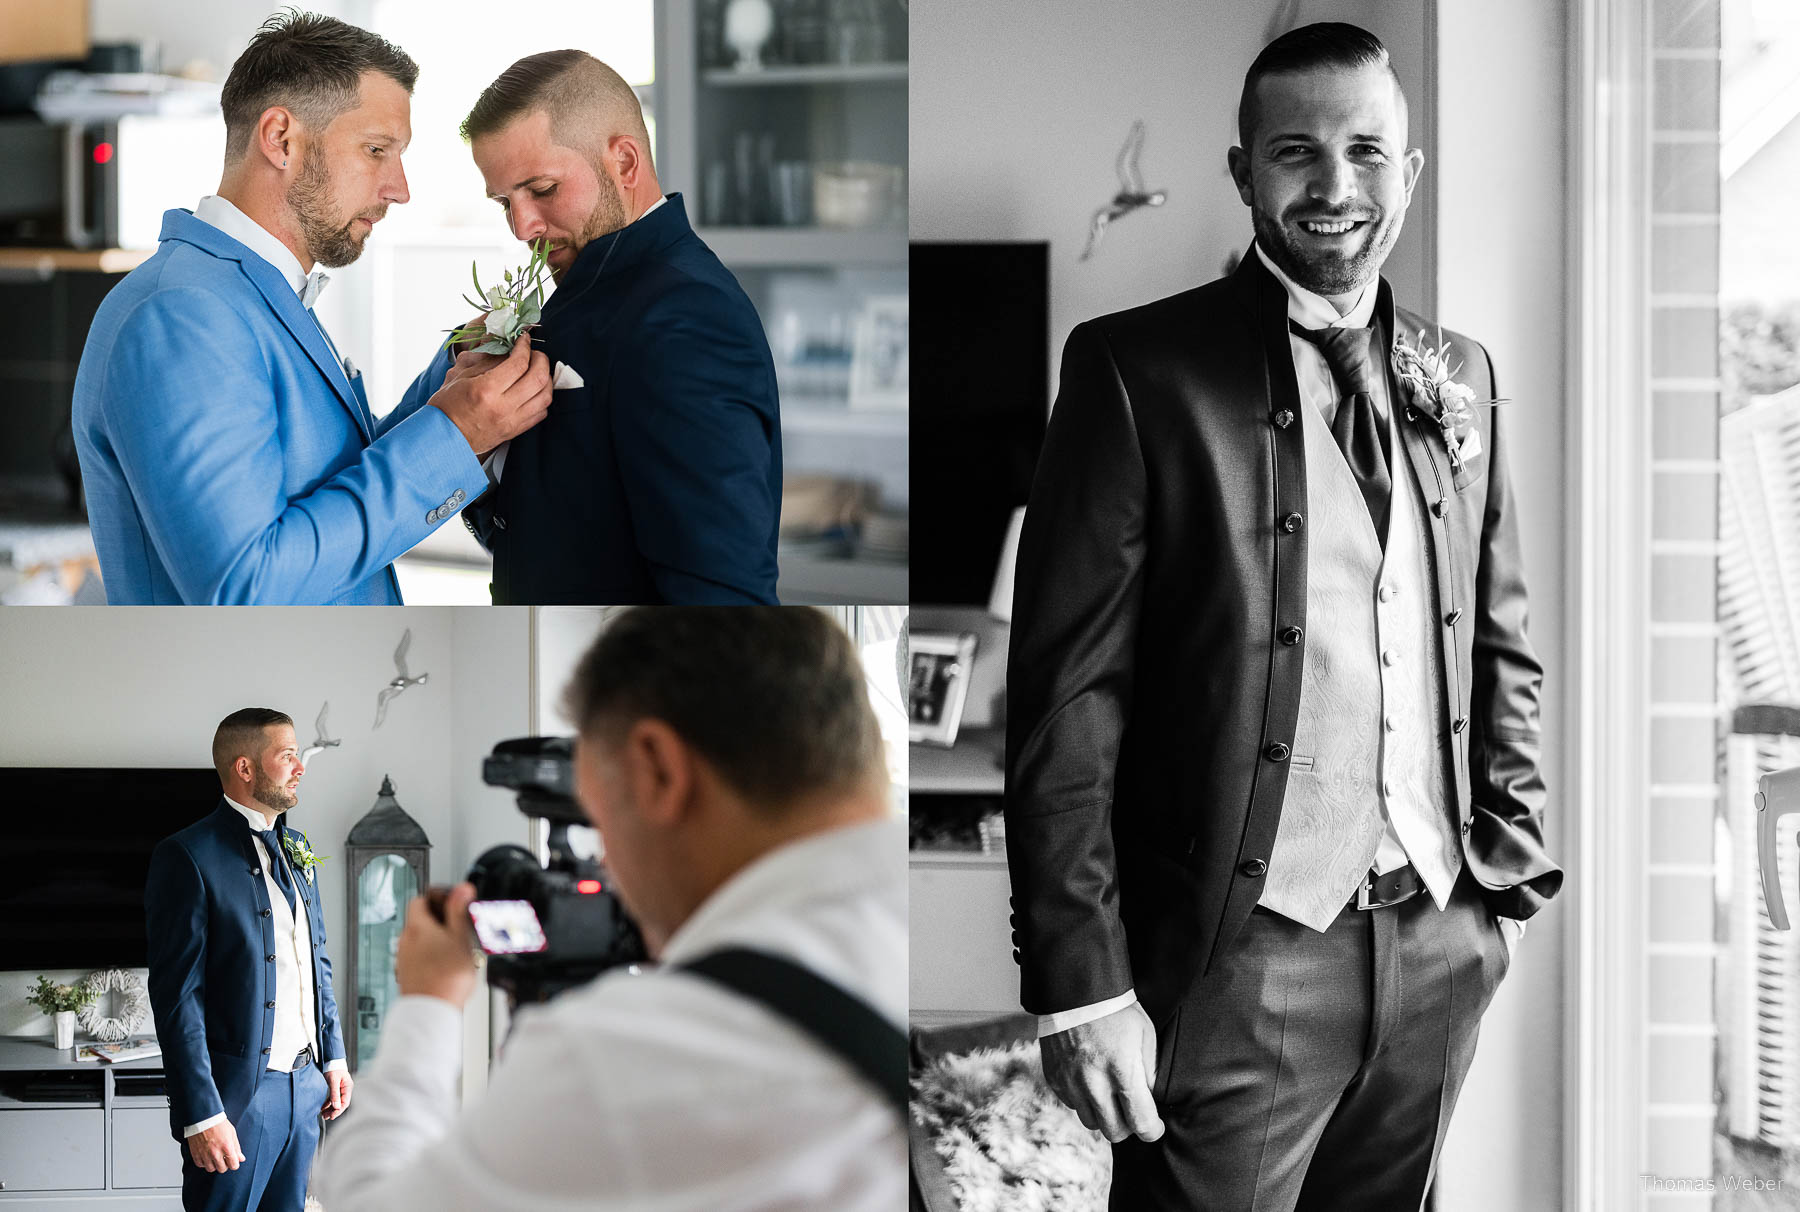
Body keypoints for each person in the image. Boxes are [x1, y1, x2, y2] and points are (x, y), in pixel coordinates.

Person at [1003, 23, 1564, 1211]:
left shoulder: (1456, 373)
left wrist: (1498, 882)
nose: (1335, 186)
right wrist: (1082, 986)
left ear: (1409, 172)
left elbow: (1499, 640)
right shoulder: (1131, 371)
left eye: (1367, 151)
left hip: (1438, 943)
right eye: (1296, 152)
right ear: (1243, 171)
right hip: (1239, 960)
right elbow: (1068, 703)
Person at [316, 607, 903, 1210]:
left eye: (601, 822)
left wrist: (428, 1007)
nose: (608, 870)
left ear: (658, 770)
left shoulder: (627, 1057)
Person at [73, 12, 554, 605]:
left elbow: (330, 487)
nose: (400, 188)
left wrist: (456, 372)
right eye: (377, 150)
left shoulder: (250, 293)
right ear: (280, 139)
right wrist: (454, 435)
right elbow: (248, 586)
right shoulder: (182, 314)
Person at [394, 50, 782, 605]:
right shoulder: (590, 285)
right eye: (506, 202)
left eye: (543, 189)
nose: (522, 227)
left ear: (625, 163)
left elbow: (723, 599)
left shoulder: (689, 318)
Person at [144, 708, 351, 1212]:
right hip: (237, 1101)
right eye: (288, 756)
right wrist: (202, 1115)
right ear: (245, 768)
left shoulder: (298, 847)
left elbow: (315, 958)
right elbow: (177, 1001)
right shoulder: (187, 856)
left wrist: (334, 1054)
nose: (300, 767)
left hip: (307, 1090)